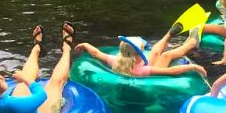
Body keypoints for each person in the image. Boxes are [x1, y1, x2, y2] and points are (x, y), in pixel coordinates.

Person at [74, 24, 207, 78]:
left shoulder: (115, 61)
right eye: (143, 50)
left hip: (136, 67)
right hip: (152, 78)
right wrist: (194, 66)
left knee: (154, 53)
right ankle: (191, 43)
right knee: (167, 55)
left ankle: (169, 35)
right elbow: (170, 71)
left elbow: (97, 53)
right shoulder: (142, 70)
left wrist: (86, 44)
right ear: (137, 55)